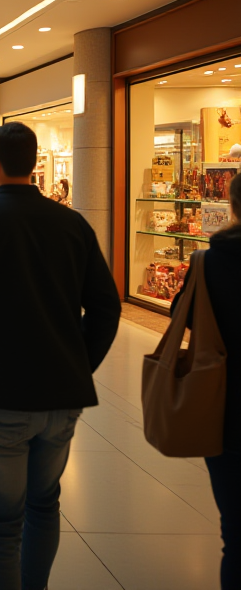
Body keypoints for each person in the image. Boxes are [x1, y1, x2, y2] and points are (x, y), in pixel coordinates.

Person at [0, 122, 120, 590]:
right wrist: (79, 361)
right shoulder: (71, 222)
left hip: (0, 390)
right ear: (34, 163)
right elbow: (105, 306)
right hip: (62, 391)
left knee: (0, 522)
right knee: (44, 503)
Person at [171, 170, 241, 588]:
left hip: (226, 404)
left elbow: (184, 315)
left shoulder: (211, 262)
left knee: (235, 533)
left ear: (231, 207)